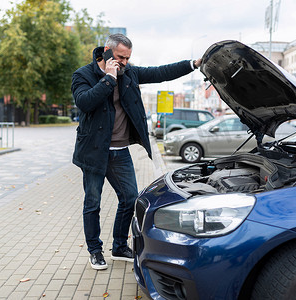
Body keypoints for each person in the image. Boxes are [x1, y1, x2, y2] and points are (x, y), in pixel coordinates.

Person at [71, 33, 202, 270]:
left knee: (130, 198)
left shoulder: (129, 72)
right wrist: (108, 79)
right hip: (94, 152)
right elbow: (84, 102)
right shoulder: (83, 75)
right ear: (107, 51)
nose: (124, 62)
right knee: (93, 203)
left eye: (128, 58)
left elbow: (160, 73)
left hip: (120, 152)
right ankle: (95, 251)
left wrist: (192, 64)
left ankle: (119, 246)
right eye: (121, 57)